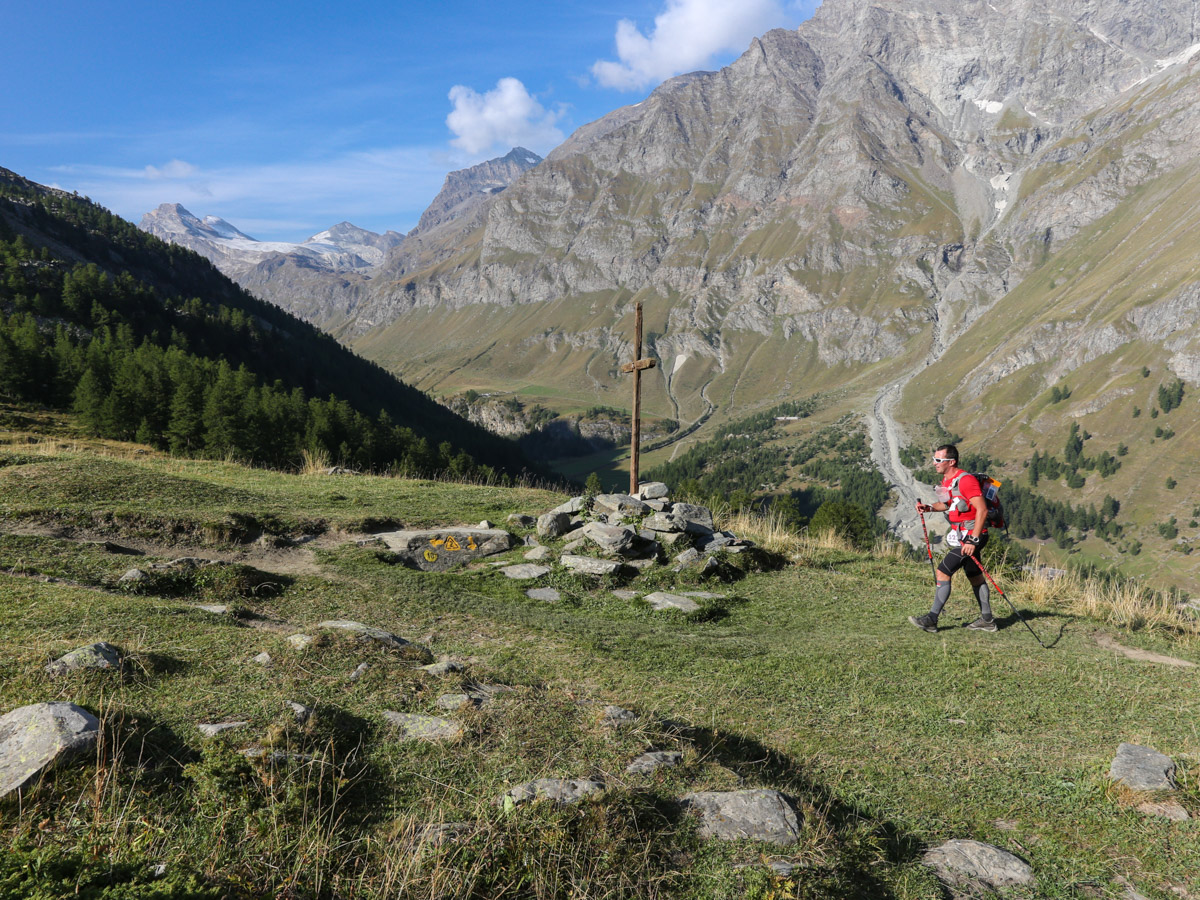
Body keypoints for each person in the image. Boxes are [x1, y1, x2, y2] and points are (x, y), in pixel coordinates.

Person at [908, 444, 997, 633]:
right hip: (962, 535)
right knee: (974, 576)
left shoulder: (966, 481)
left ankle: (931, 619)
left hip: (972, 536)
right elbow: (948, 504)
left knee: (943, 571)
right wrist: (929, 507)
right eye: (934, 459)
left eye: (938, 460)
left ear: (952, 461)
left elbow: (982, 510)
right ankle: (987, 620)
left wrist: (973, 541)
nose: (934, 463)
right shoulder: (948, 480)